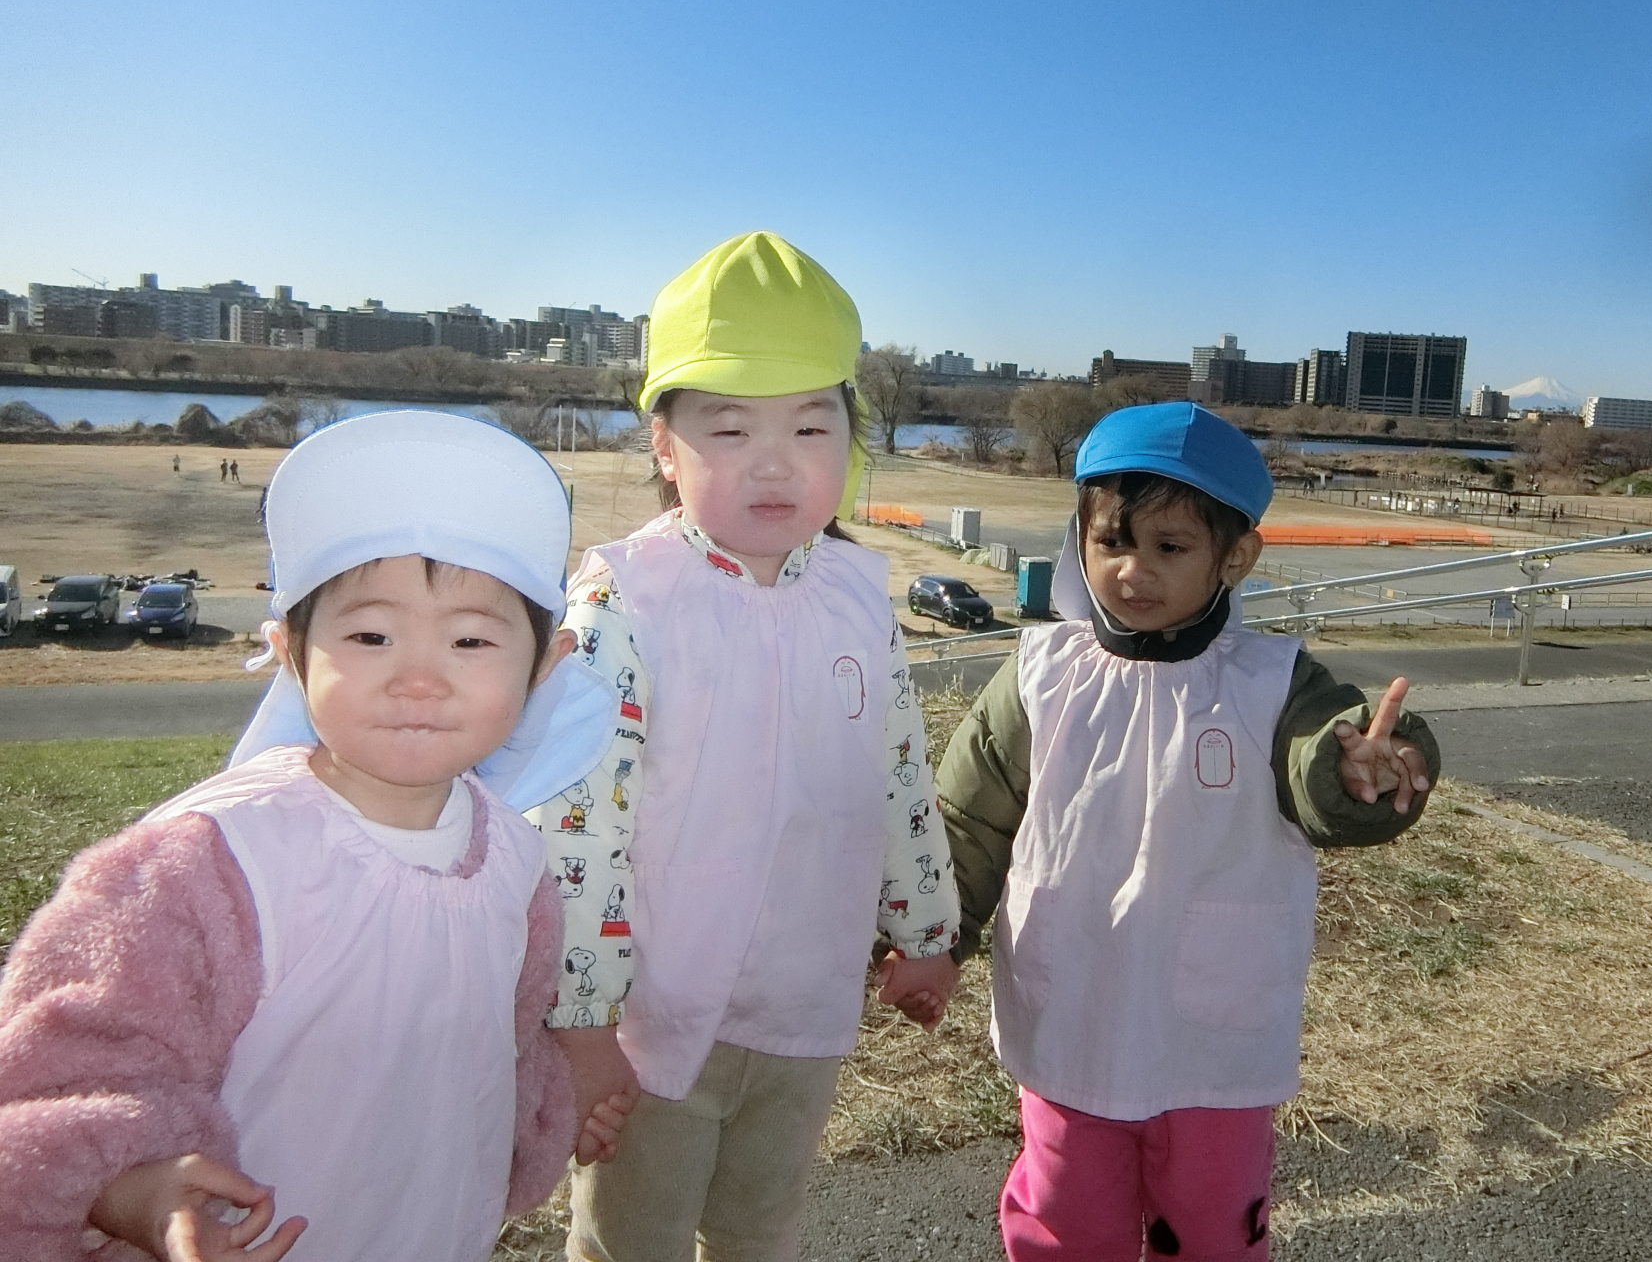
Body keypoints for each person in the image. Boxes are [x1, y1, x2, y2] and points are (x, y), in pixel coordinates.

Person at [0, 411, 630, 1262]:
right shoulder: (207, 865)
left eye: (470, 639)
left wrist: (551, 1105)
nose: (417, 677)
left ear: (543, 666)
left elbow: (500, 1048)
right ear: (292, 653)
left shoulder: (514, 863)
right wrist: (127, 1187)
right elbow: (63, 1073)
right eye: (370, 636)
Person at [536, 232, 960, 1262]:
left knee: (760, 1232)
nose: (776, 461)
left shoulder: (858, 597)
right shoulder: (626, 604)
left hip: (804, 1001)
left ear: (850, 438)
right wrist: (582, 1020)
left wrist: (925, 931)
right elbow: (576, 825)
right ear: (663, 446)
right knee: (630, 1241)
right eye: (729, 428)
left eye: (811, 426)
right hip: (653, 1020)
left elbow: (897, 776)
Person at [937, 401, 1442, 1262]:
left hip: (1213, 1031)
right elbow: (968, 818)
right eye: (1112, 542)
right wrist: (932, 938)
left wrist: (1361, 769)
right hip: (1071, 1004)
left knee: (1211, 1222)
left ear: (1234, 557)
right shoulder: (1038, 673)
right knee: (1065, 1214)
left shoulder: (1275, 681)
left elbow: (1323, 756)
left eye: (1170, 548)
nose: (1133, 571)